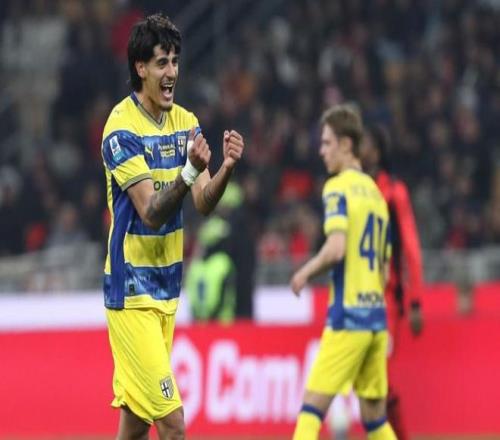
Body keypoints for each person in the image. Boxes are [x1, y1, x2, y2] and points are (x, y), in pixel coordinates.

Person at [101, 13, 244, 440]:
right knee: (173, 424)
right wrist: (189, 171)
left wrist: (225, 169)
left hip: (166, 290)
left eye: (175, 62)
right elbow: (150, 211)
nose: (171, 73)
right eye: (162, 62)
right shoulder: (121, 129)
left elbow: (203, 201)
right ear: (140, 68)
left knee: (136, 424)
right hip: (131, 295)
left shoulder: (185, 122)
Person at [290, 104, 397, 440]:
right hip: (376, 319)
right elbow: (385, 270)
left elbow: (336, 248)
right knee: (375, 419)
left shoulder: (338, 187)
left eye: (327, 143)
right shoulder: (377, 194)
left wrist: (304, 272)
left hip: (349, 317)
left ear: (347, 144)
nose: (321, 151)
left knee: (310, 411)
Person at [361, 125, 424, 440]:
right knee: (371, 380)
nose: (360, 148)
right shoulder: (356, 190)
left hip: (388, 302)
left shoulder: (395, 192)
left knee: (379, 377)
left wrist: (416, 301)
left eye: (365, 143)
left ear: (377, 150)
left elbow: (411, 247)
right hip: (360, 299)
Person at [185, 216, 237, 322]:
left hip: (199, 323)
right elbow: (224, 295)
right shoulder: (223, 262)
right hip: (222, 324)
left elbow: (191, 298)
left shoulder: (195, 266)